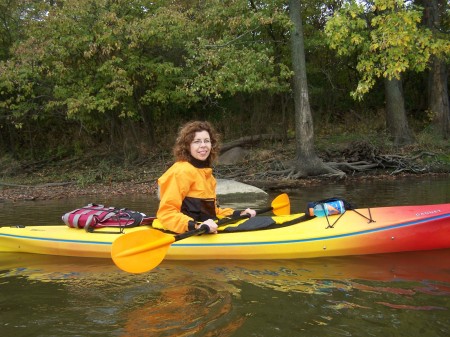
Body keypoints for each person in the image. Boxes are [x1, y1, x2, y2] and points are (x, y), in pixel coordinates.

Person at [156, 121, 256, 234]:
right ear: (187, 146)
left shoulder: (206, 174)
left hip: (205, 227)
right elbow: (166, 213)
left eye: (206, 141)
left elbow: (212, 211)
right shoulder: (180, 171)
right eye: (197, 141)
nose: (203, 145)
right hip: (189, 230)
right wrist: (196, 226)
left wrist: (239, 214)